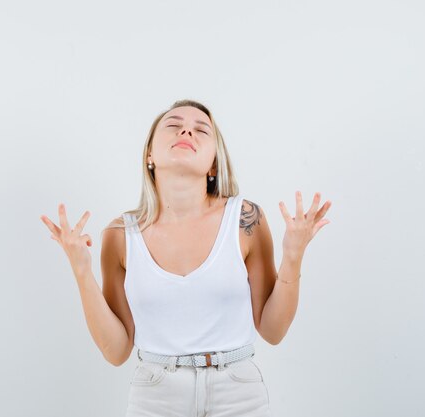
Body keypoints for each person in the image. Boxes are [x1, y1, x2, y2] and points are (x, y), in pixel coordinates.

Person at [40, 99, 332, 417]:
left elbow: (273, 330)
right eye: (173, 124)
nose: (186, 130)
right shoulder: (120, 234)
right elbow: (117, 350)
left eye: (201, 129)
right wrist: (81, 271)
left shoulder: (245, 220)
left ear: (213, 165)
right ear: (150, 155)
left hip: (238, 394)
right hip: (155, 396)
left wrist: (293, 256)